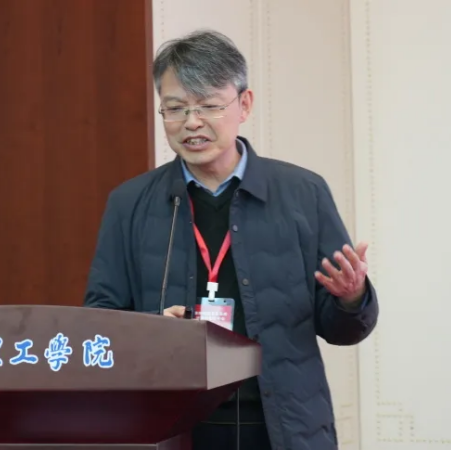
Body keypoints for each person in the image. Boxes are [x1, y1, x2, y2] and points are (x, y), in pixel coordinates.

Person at [83, 29, 379, 450]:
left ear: (245, 104)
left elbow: (342, 330)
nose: (191, 122)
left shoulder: (303, 193)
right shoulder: (129, 203)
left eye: (208, 106)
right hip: (173, 429)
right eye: (176, 108)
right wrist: (150, 331)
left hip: (283, 428)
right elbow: (100, 322)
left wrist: (352, 298)